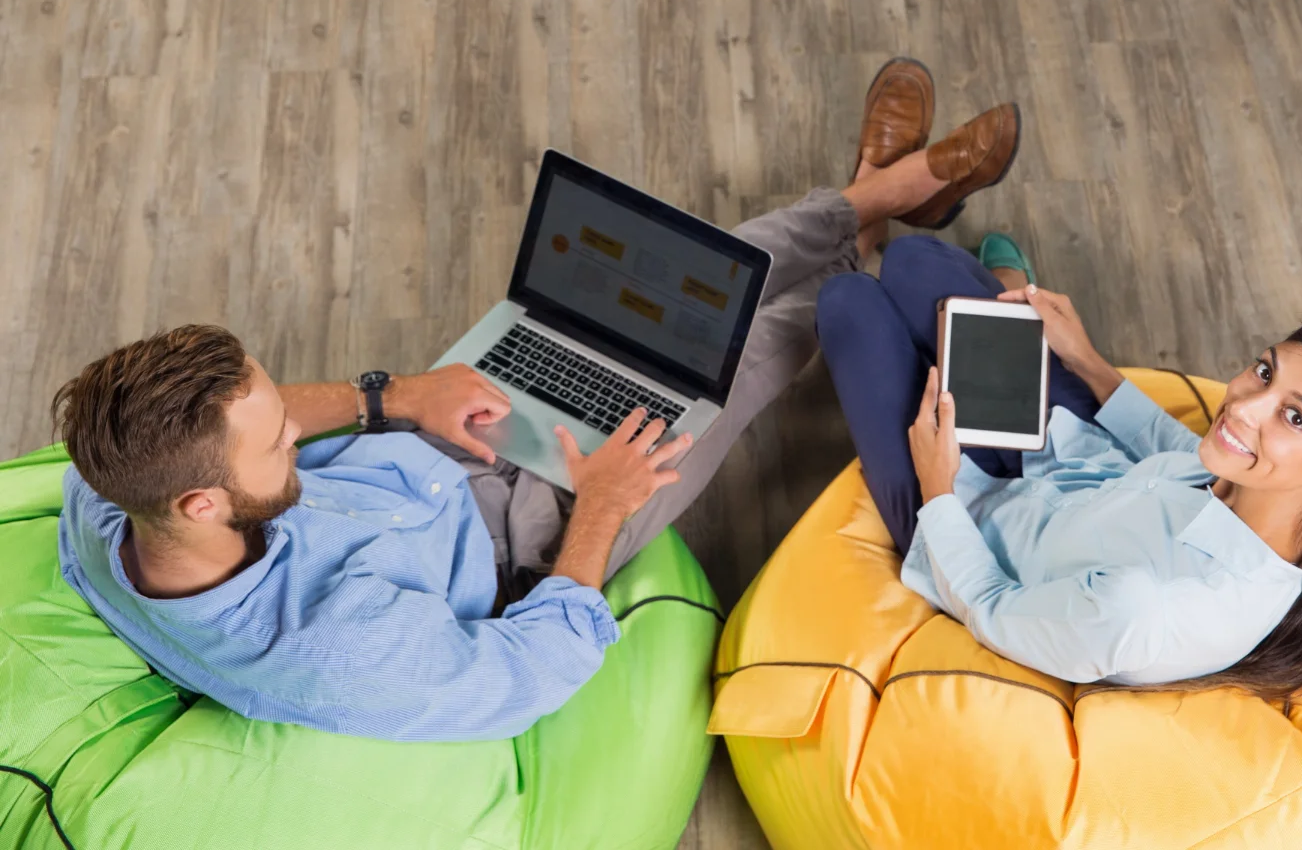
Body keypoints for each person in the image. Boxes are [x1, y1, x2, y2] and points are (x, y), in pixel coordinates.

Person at [53, 58, 1023, 742]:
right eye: (274, 443)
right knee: (749, 349)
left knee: (695, 288)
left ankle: (873, 198)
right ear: (201, 505)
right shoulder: (338, 651)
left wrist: (388, 396)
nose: (297, 435)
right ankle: (881, 241)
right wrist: (600, 505)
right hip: (534, 533)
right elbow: (531, 677)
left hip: (439, 437)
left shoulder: (106, 494)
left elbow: (290, 424)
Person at [816, 215, 1302, 699]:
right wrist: (1085, 358)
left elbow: (992, 607)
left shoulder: (1155, 611)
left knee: (849, 302)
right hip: (1068, 459)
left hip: (976, 527)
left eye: (1295, 416)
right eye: (1263, 370)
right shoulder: (1282, 495)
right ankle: (999, 293)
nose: (1242, 406)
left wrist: (938, 487)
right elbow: (1179, 449)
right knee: (911, 260)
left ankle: (973, 301)